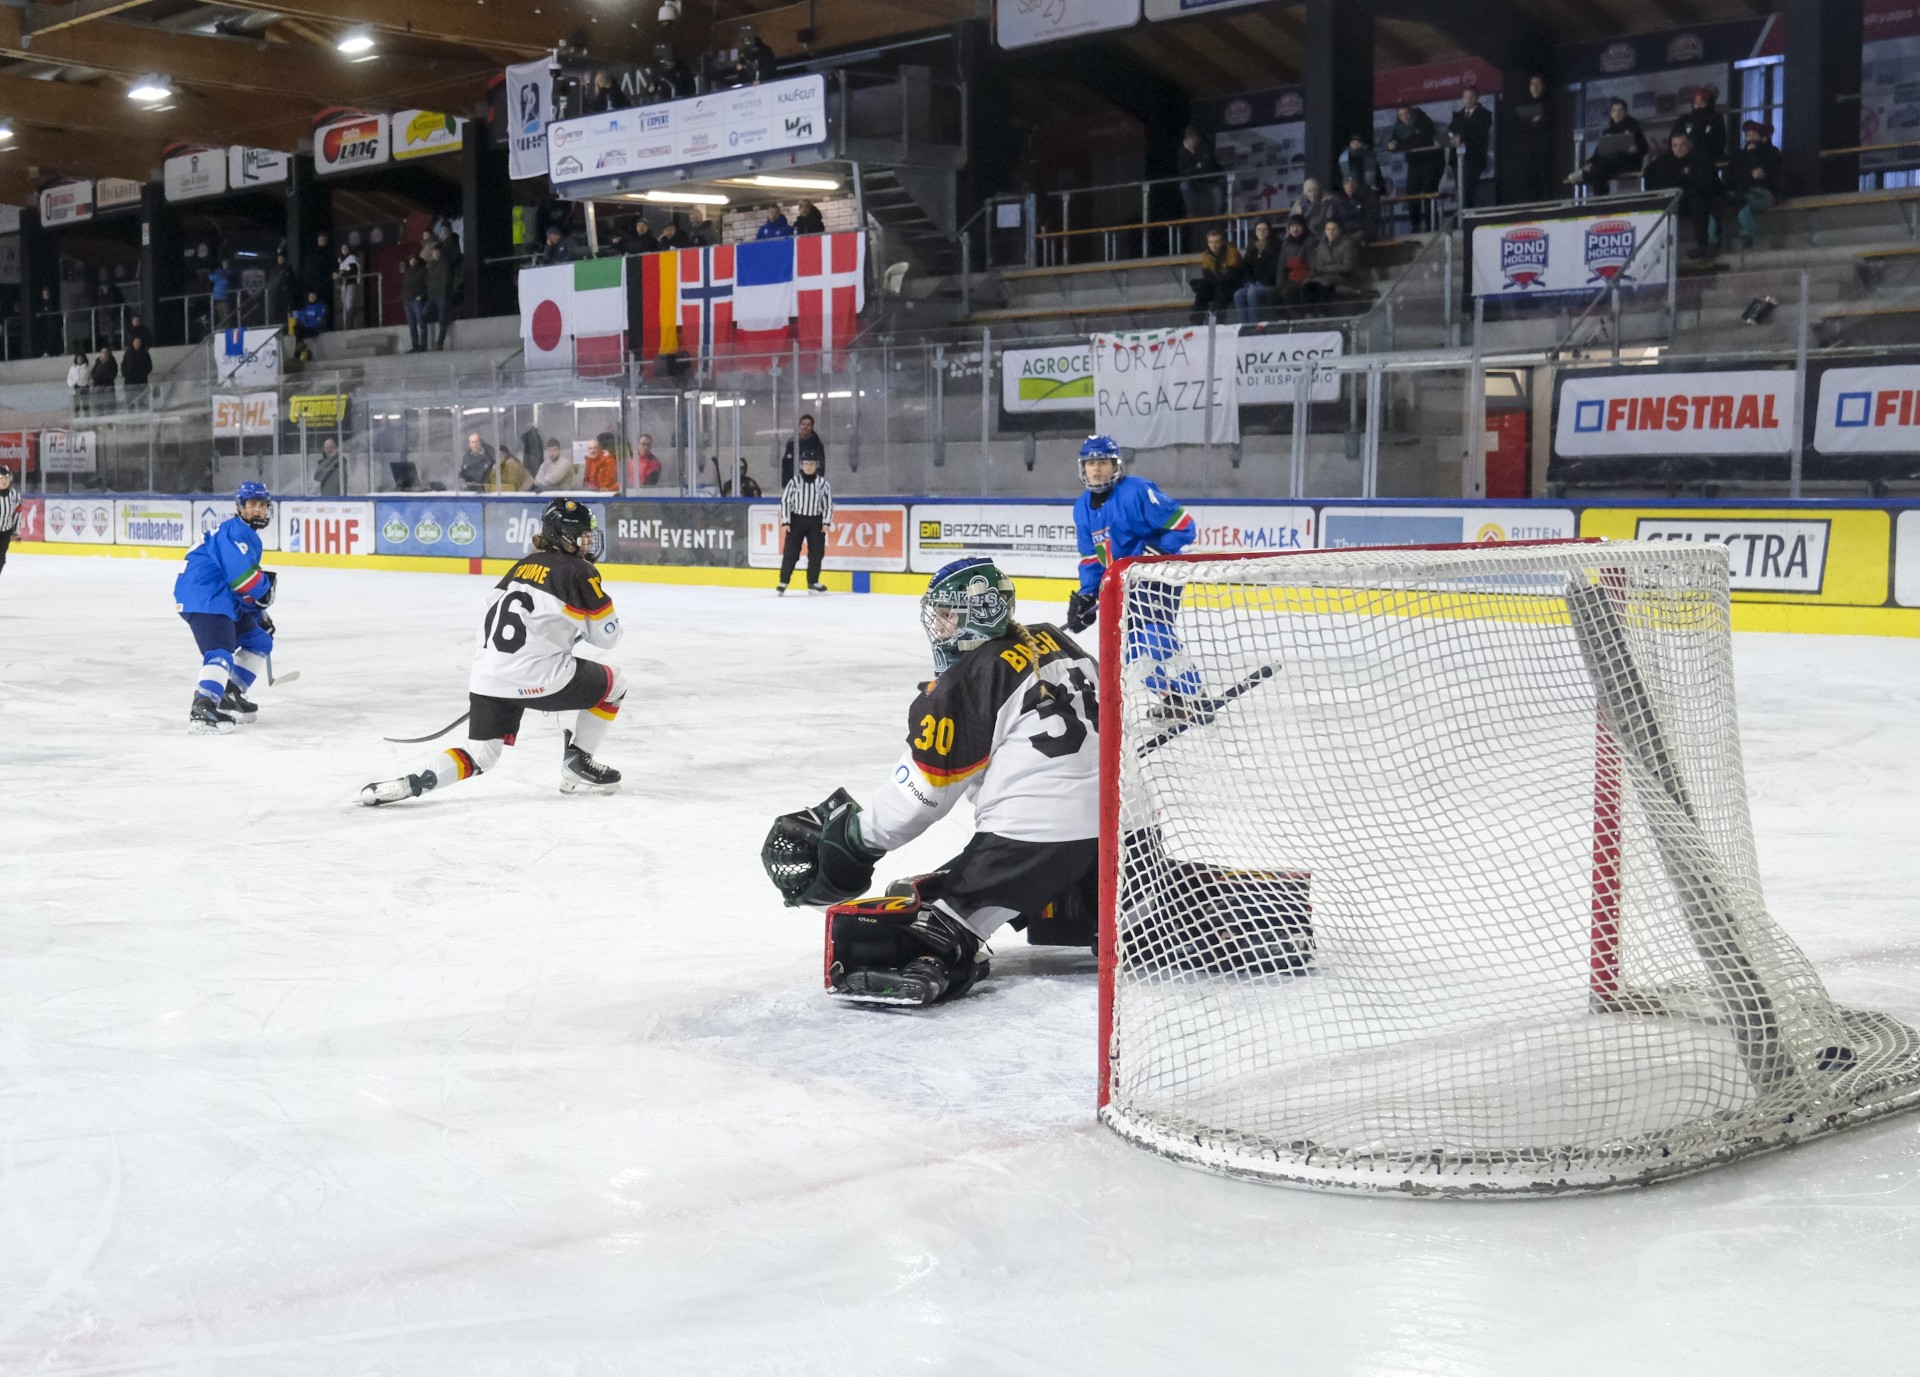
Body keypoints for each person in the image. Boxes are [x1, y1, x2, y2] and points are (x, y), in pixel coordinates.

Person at [758, 557, 1100, 1006]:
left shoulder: (969, 679)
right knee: (1063, 857)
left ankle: (937, 956)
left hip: (1033, 838)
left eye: (948, 615)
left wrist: (855, 840)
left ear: (979, 615)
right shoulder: (1057, 640)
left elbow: (922, 795)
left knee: (935, 923)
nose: (938, 627)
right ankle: (1115, 909)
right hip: (1118, 829)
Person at [360, 499, 626, 805]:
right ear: (563, 536)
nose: (587, 542)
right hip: (537, 675)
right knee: (615, 685)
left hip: (488, 675)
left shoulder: (522, 565)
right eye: (582, 535)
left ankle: (411, 784)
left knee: (480, 755)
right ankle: (578, 760)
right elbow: (607, 638)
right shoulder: (580, 571)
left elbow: (496, 609)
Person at [1064, 435, 1200, 714]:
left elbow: (1184, 525)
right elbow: (1091, 557)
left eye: (1103, 462)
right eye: (1091, 463)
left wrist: (1160, 550)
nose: (1096, 469)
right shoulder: (1081, 507)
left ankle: (1196, 696)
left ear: (1116, 465)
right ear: (1083, 467)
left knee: (1156, 637)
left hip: (1157, 577)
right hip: (1123, 586)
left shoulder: (1137, 491)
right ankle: (1172, 699)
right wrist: (1087, 594)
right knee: (1134, 656)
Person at [173, 482, 279, 734]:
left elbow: (238, 585)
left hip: (220, 598)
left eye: (262, 505)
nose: (257, 509)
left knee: (259, 641)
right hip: (205, 597)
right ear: (240, 507)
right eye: (252, 504)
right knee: (219, 652)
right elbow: (244, 580)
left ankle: (229, 695)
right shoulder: (235, 532)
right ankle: (203, 707)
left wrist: (257, 614)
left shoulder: (244, 534)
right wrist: (264, 592)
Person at [1643, 130, 1721, 258]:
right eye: (1675, 145)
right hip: (1674, 201)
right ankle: (1656, 249)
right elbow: (1648, 173)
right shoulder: (1665, 160)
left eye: (1682, 145)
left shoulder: (1701, 158)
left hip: (1697, 198)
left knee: (1698, 204)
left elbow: (1705, 184)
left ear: (1689, 145)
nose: (1678, 149)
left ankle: (1702, 246)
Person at [776, 449, 832, 595]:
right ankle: (783, 582)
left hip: (816, 521)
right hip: (796, 521)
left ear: (816, 465)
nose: (809, 467)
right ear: (801, 465)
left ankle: (813, 582)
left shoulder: (822, 484)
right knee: (791, 552)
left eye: (811, 464)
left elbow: (828, 504)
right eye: (806, 464)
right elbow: (785, 502)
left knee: (817, 553)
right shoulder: (794, 482)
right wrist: (785, 521)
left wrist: (826, 522)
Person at [1724, 120, 1783, 250]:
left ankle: (1746, 233)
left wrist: (1753, 155)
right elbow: (1731, 176)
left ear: (1762, 137)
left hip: (1764, 194)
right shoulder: (1739, 156)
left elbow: (1767, 177)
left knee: (1743, 200)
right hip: (1742, 192)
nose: (1750, 139)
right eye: (1748, 135)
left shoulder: (1771, 153)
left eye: (1754, 135)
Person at [1573, 97, 1648, 195]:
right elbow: (1599, 153)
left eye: (1620, 110)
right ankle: (1597, 192)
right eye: (1614, 110)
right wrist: (1590, 163)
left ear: (1625, 112)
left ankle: (1598, 193)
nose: (1617, 113)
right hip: (1610, 163)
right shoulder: (1607, 132)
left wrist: (1635, 149)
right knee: (1597, 167)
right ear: (1611, 113)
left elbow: (1644, 147)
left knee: (1599, 168)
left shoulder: (1633, 128)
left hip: (1628, 162)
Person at [1387, 103, 1442, 231]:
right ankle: (1415, 224)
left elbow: (1421, 140)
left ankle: (1431, 224)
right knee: (1412, 192)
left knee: (1429, 192)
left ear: (1411, 112)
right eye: (1401, 115)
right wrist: (1392, 144)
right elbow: (1395, 140)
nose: (1404, 117)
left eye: (1406, 113)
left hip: (1430, 161)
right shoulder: (1399, 126)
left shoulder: (1423, 120)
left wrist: (1401, 144)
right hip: (1414, 163)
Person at [1511, 75, 1557, 205]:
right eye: (1532, 84)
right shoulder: (1523, 103)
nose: (1535, 87)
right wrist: (1533, 121)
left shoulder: (1549, 102)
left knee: (1544, 178)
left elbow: (1547, 122)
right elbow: (1519, 124)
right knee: (1528, 179)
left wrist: (1532, 121)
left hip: (1543, 147)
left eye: (1538, 84)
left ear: (1543, 86)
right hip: (1526, 149)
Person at [1177, 125, 1224, 252]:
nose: (1194, 142)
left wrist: (1195, 169)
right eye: (1192, 139)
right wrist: (1197, 167)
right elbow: (1183, 172)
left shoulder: (1204, 147)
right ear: (1187, 139)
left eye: (1196, 139)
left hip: (1212, 181)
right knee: (1184, 185)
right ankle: (1192, 211)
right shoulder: (1182, 152)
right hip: (1195, 183)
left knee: (1218, 202)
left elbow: (1207, 165)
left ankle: (1219, 219)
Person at [1449, 86, 1493, 211]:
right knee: (1460, 189)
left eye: (1471, 97)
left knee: (1468, 188)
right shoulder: (1458, 115)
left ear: (1477, 98)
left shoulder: (1484, 114)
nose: (1468, 100)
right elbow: (1451, 131)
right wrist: (1450, 137)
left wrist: (1462, 138)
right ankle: (1462, 213)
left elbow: (1479, 132)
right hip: (1458, 158)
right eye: (1465, 97)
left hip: (1474, 158)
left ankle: (1468, 214)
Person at [1190, 225, 1242, 320]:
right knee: (1201, 292)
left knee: (1220, 292)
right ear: (1208, 243)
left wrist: (1215, 281)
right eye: (1211, 242)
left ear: (1222, 242)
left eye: (1217, 242)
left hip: (1232, 285)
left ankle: (1217, 322)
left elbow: (1231, 275)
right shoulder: (1206, 255)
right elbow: (1207, 275)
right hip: (1217, 283)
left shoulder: (1231, 252)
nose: (1214, 245)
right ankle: (1196, 322)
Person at [1304, 217, 1361, 305]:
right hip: (1326, 277)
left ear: (1339, 230)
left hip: (1346, 278)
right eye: (1328, 229)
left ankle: (1322, 309)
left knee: (1322, 283)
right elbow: (1319, 267)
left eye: (1334, 229)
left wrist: (1326, 268)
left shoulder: (1348, 244)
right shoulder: (1322, 246)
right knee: (1307, 283)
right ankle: (1311, 310)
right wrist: (1332, 267)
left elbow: (1347, 267)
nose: (1330, 232)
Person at [1233, 219, 1279, 323]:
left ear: (1269, 231)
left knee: (1252, 292)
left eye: (1264, 229)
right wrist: (1249, 282)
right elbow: (1246, 267)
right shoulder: (1252, 247)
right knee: (1238, 295)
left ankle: (1255, 325)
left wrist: (1259, 283)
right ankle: (1244, 325)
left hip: (1270, 284)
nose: (1261, 232)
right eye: (1259, 230)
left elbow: (1274, 269)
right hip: (1254, 284)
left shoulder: (1276, 247)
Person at [1671, 86, 1728, 169]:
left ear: (1709, 103)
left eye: (1702, 103)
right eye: (1696, 104)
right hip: (1687, 161)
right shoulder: (1684, 119)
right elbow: (1673, 138)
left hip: (1710, 161)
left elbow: (1720, 141)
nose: (1698, 106)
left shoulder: (1716, 119)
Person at [1277, 215, 1315, 306]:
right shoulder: (1286, 244)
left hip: (1306, 280)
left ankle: (1297, 315)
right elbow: (1281, 268)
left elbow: (1314, 267)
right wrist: (1279, 285)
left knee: (1288, 293)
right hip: (1291, 280)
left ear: (1304, 227)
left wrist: (1308, 280)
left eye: (1298, 226)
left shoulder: (1311, 241)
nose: (1295, 229)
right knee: (1273, 295)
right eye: (1292, 226)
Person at [780, 413, 826, 485]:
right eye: (803, 424)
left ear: (812, 427)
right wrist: (786, 483)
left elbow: (820, 466)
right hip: (792, 482)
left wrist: (817, 482)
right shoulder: (792, 443)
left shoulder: (817, 444)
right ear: (799, 426)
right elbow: (786, 464)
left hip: (810, 483)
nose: (805, 427)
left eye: (808, 425)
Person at [1334, 175, 1381, 243]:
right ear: (1343, 186)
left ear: (1356, 185)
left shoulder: (1364, 199)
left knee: (1350, 241)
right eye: (1347, 184)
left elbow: (1369, 219)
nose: (1350, 186)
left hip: (1362, 231)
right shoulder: (1338, 201)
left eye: (1353, 183)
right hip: (1346, 232)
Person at [426, 244, 455, 350]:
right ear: (432, 254)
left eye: (438, 252)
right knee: (424, 314)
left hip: (441, 296)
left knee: (442, 320)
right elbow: (429, 280)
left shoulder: (444, 265)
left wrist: (444, 294)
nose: (436, 254)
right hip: (432, 295)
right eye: (435, 252)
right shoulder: (431, 265)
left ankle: (440, 343)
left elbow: (445, 281)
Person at [401, 254, 430, 352]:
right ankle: (415, 346)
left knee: (421, 323)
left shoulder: (423, 272)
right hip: (408, 301)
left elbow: (427, 286)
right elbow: (404, 286)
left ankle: (423, 345)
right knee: (412, 325)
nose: (412, 262)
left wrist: (421, 296)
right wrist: (404, 297)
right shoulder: (407, 273)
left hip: (417, 300)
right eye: (411, 260)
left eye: (414, 260)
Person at [292, 291, 329, 361]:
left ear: (316, 297)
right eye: (310, 296)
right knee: (297, 329)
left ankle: (300, 351)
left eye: (313, 296)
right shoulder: (307, 307)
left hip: (315, 329)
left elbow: (319, 320)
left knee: (300, 333)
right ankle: (302, 350)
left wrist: (308, 324)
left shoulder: (320, 307)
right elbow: (304, 317)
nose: (311, 298)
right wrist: (298, 317)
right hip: (307, 328)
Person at [334, 242, 363, 332]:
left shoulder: (352, 258)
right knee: (346, 306)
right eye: (343, 248)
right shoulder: (341, 260)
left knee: (349, 305)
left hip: (351, 283)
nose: (344, 250)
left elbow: (352, 271)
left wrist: (340, 274)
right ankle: (350, 324)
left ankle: (348, 325)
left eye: (346, 248)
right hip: (343, 285)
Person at [121, 330, 152, 408]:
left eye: (139, 342)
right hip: (129, 380)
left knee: (142, 399)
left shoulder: (145, 353)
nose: (137, 343)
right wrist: (125, 374)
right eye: (135, 342)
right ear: (133, 342)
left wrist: (143, 374)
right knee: (130, 400)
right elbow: (123, 364)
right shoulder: (128, 352)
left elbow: (149, 366)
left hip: (141, 380)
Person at [0, 468, 19, 582]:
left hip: (5, 532)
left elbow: (17, 513)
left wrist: (16, 531)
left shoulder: (14, 495)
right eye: (1, 478)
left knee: (1, 559)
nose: (4, 481)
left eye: (6, 478)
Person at [210, 257, 237, 330]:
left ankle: (229, 330)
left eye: (226, 262)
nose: (225, 263)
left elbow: (226, 280)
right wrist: (221, 275)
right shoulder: (218, 270)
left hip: (225, 298)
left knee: (227, 316)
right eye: (224, 262)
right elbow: (211, 277)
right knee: (221, 316)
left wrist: (219, 276)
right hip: (218, 297)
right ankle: (223, 329)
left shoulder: (230, 271)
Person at [89, 345, 118, 413]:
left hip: (108, 387)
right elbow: (92, 372)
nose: (104, 354)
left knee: (109, 407)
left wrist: (103, 379)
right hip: (97, 387)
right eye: (102, 352)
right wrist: (96, 379)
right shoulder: (97, 362)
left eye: (106, 352)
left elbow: (113, 374)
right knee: (98, 408)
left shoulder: (112, 362)